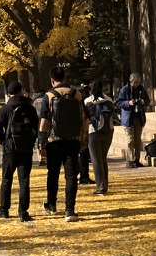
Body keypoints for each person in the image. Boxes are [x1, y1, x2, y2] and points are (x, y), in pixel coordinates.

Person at [38, 67, 89, 222]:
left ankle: (51, 204)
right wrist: (83, 140)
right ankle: (70, 210)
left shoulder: (49, 95)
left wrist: (41, 142)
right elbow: (84, 120)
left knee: (52, 174)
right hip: (73, 141)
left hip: (54, 142)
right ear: (65, 77)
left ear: (52, 80)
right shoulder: (77, 94)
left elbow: (44, 122)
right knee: (71, 176)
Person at [0, 81, 39, 221]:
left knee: (7, 179)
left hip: (10, 148)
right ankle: (23, 212)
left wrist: (4, 141)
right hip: (25, 148)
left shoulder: (5, 109)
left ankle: (4, 209)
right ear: (21, 91)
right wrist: (31, 142)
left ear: (8, 94)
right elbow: (36, 127)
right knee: (24, 179)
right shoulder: (29, 107)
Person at [83, 79, 115, 195]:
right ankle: (105, 185)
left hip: (93, 132)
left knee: (96, 160)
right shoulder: (109, 100)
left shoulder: (88, 101)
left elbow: (85, 118)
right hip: (108, 131)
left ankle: (100, 187)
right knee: (103, 159)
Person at [116, 72, 151, 168]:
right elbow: (119, 103)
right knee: (130, 140)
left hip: (139, 117)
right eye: (134, 83)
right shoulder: (124, 90)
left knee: (137, 140)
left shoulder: (141, 89)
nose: (136, 85)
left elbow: (148, 100)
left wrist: (143, 102)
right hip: (128, 118)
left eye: (137, 83)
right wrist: (128, 103)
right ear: (130, 82)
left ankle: (136, 159)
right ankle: (130, 160)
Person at [77, 79, 94, 184]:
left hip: (76, 126)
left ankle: (75, 174)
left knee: (78, 153)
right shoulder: (89, 95)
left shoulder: (77, 94)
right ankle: (84, 175)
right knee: (84, 151)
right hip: (86, 124)